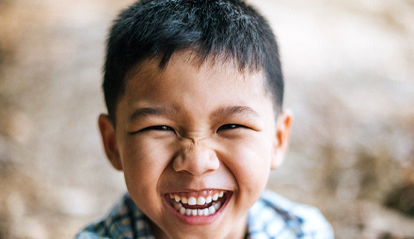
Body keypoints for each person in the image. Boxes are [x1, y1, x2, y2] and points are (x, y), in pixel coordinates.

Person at [75, 0, 334, 238]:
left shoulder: (305, 232)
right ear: (113, 144)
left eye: (232, 126)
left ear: (278, 140)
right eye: (160, 127)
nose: (197, 162)